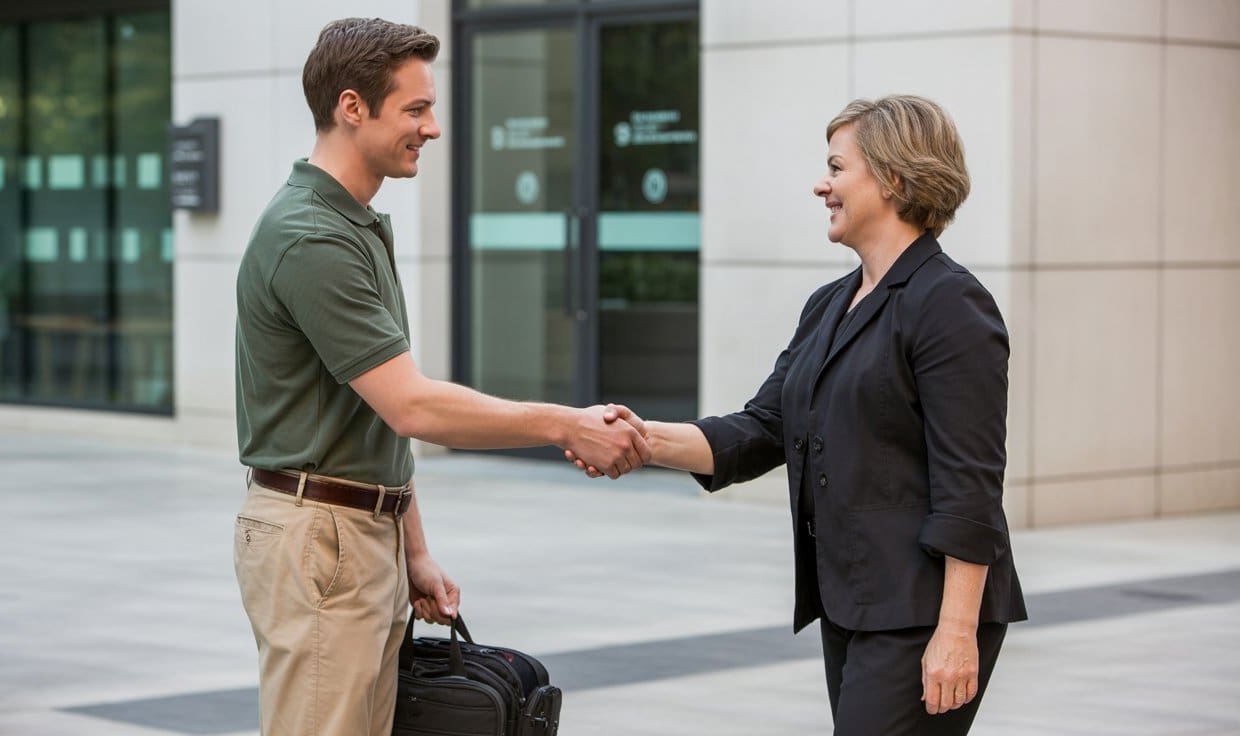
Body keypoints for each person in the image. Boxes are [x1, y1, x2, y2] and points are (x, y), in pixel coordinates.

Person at [233, 17, 649, 736]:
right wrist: (563, 423)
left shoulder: (352, 223)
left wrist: (412, 547)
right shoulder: (312, 236)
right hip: (321, 538)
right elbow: (414, 408)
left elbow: (374, 412)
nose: (433, 128)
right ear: (352, 107)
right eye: (416, 109)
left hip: (357, 529)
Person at [572, 95, 1027, 735]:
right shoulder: (829, 304)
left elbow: (972, 487)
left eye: (837, 169)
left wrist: (956, 631)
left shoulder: (949, 304)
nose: (822, 185)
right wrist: (642, 441)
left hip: (922, 612)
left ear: (895, 178)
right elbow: (764, 429)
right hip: (853, 601)